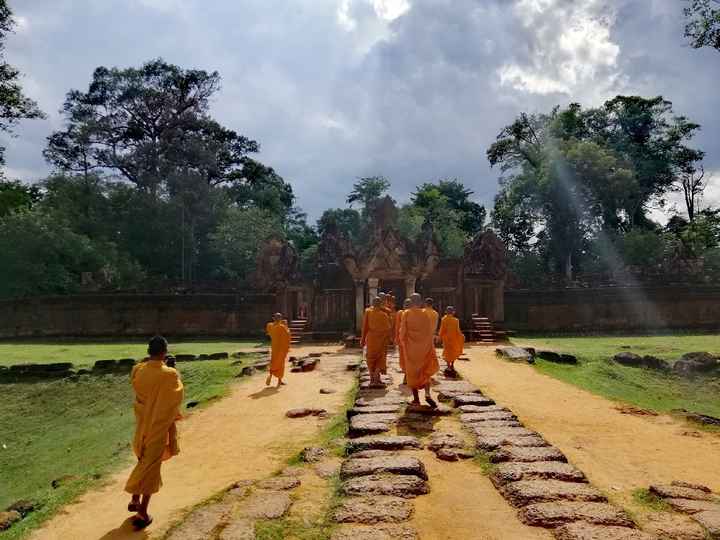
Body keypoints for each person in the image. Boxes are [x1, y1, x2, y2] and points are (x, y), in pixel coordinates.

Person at [125, 336, 184, 530]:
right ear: (164, 351)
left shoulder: (138, 370)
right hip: (157, 425)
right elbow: (175, 396)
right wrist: (174, 371)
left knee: (143, 458)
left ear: (149, 351)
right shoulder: (169, 374)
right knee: (152, 466)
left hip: (142, 424)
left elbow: (141, 373)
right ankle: (142, 511)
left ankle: (135, 499)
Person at [400, 293, 439, 407]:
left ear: (411, 302)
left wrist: (403, 343)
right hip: (424, 347)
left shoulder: (406, 313)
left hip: (411, 348)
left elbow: (403, 332)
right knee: (425, 371)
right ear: (421, 302)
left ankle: (416, 399)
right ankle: (427, 394)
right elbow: (428, 332)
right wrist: (430, 346)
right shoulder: (425, 314)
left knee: (412, 373)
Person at [361, 296, 392, 386]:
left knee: (370, 359)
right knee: (380, 359)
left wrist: (362, 340)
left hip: (371, 339)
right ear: (381, 304)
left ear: (372, 304)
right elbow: (388, 329)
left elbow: (365, 327)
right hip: (381, 340)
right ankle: (376, 377)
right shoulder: (384, 315)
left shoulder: (368, 312)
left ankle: (372, 379)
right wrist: (389, 339)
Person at [266, 313, 291, 387]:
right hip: (281, 348)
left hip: (274, 347)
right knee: (281, 363)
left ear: (273, 318)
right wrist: (286, 325)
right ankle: (279, 381)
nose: (278, 318)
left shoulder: (270, 326)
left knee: (273, 361)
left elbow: (270, 333)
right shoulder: (282, 327)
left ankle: (270, 376)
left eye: (278, 317)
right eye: (278, 317)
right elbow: (288, 335)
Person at [439, 306, 465, 372]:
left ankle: (448, 366)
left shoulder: (443, 319)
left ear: (446, 312)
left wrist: (440, 336)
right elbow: (458, 330)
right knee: (453, 352)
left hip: (446, 338)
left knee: (447, 352)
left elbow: (442, 329)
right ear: (453, 312)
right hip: (454, 338)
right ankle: (452, 365)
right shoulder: (456, 320)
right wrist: (461, 336)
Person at [396, 298, 411, 383]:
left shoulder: (401, 313)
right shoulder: (414, 313)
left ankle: (406, 376)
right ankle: (408, 376)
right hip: (412, 340)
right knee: (410, 359)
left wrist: (397, 338)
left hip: (404, 340)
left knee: (404, 358)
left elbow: (397, 328)